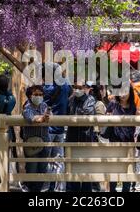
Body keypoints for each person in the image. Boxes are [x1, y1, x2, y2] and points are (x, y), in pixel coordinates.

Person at [43, 63, 71, 192]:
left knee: (47, 160)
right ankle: (59, 189)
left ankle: (47, 188)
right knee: (59, 160)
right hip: (61, 128)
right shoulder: (66, 85)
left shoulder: (48, 87)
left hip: (49, 129)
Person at [66, 82, 96, 192]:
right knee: (72, 168)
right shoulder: (71, 99)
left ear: (84, 88)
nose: (76, 90)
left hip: (85, 137)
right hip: (72, 137)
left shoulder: (90, 99)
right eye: (75, 87)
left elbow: (88, 114)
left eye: (79, 87)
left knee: (86, 168)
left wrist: (75, 117)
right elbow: (67, 113)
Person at [107, 85, 136, 192]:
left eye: (126, 92)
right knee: (114, 167)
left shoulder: (133, 106)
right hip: (114, 140)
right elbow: (106, 118)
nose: (123, 94)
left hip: (128, 140)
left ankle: (126, 189)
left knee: (127, 168)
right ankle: (112, 190)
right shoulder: (113, 104)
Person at [22, 85, 51, 192]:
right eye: (36, 94)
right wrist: (42, 118)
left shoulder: (44, 105)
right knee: (32, 169)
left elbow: (49, 117)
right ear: (30, 96)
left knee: (43, 169)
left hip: (45, 141)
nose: (38, 96)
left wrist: (46, 117)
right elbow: (30, 118)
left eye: (40, 94)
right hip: (32, 142)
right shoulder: (27, 106)